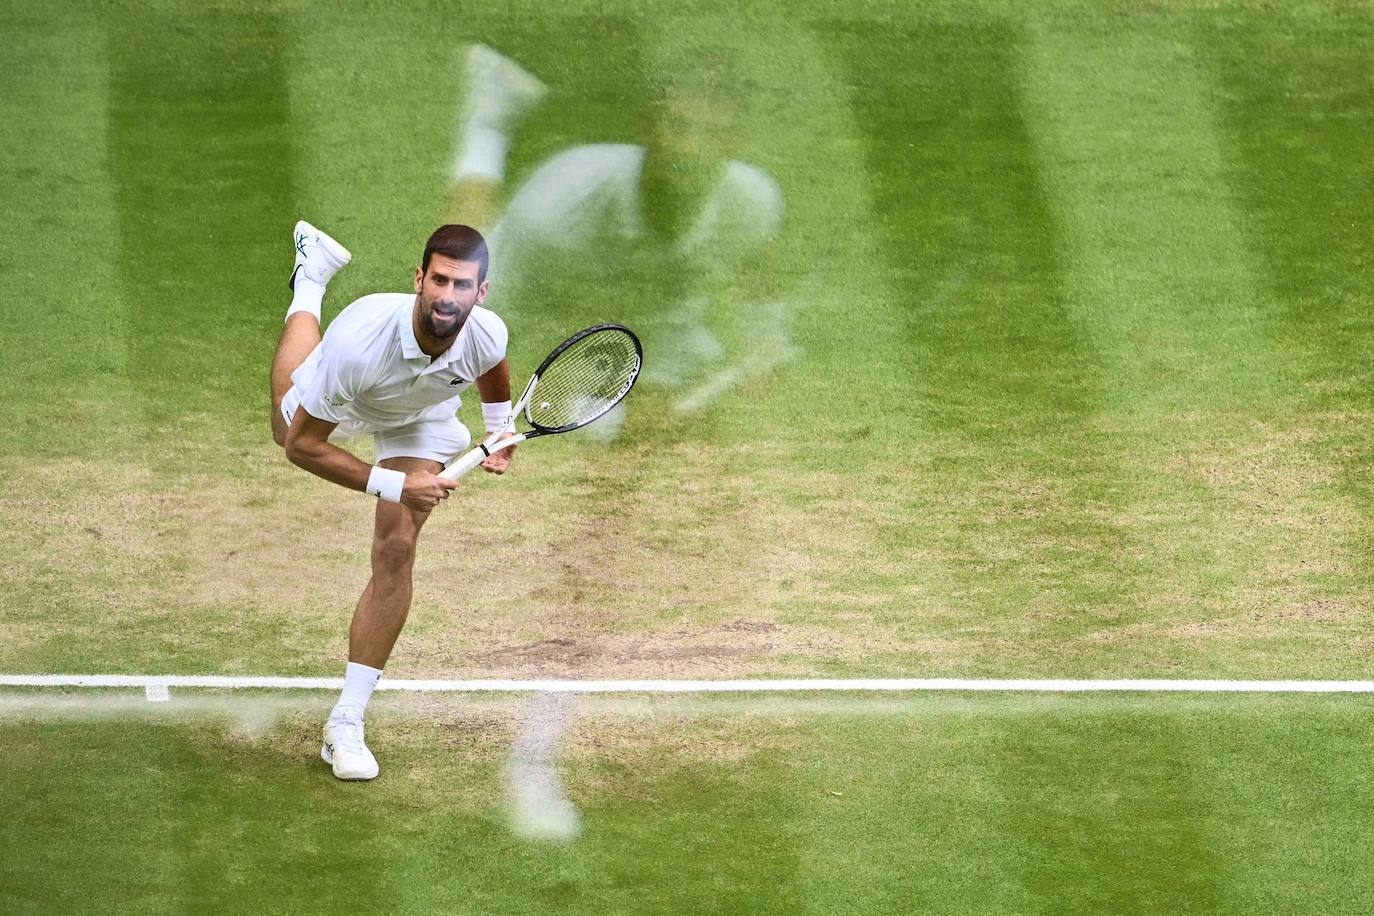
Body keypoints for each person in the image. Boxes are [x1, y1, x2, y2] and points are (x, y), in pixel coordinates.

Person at [269, 221, 517, 780]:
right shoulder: (360, 343)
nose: (447, 297)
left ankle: (346, 723)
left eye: (462, 286)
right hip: (349, 396)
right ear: (419, 279)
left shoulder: (486, 332)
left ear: (482, 294)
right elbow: (302, 448)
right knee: (283, 417)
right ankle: (310, 280)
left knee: (397, 546)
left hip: (420, 418)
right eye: (439, 281)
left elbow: (492, 367)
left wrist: (499, 428)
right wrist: (396, 483)